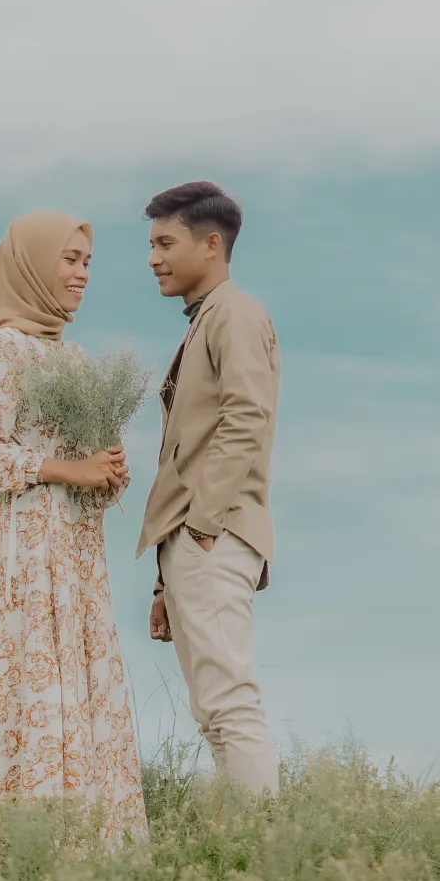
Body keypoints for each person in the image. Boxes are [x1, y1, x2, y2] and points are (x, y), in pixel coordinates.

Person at [0, 210, 150, 848]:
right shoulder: (7, 347)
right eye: (69, 259)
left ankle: (87, 848)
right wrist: (66, 469)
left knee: (81, 686)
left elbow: (95, 473)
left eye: (87, 262)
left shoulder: (75, 357)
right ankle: (26, 848)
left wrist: (109, 471)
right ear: (33, 265)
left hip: (78, 550)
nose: (82, 274)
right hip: (28, 546)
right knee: (33, 687)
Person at [137, 181, 281, 796]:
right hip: (198, 538)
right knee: (213, 712)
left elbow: (248, 417)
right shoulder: (209, 319)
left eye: (166, 243)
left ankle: (265, 840)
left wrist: (201, 525)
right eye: (152, 245)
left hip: (213, 532)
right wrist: (165, 580)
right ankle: (251, 841)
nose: (153, 258)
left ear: (212, 244)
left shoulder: (236, 314)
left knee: (229, 705)